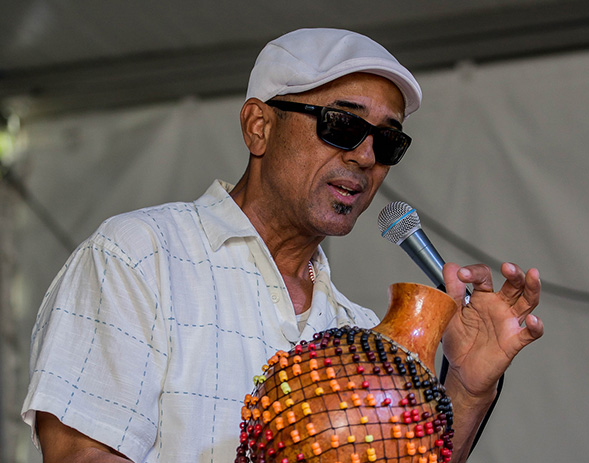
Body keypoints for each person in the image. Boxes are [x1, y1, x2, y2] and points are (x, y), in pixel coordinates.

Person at [21, 28, 543, 463]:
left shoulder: (360, 336)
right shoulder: (139, 256)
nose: (366, 156)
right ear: (258, 127)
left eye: (388, 141)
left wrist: (467, 392)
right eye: (342, 125)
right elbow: (82, 456)